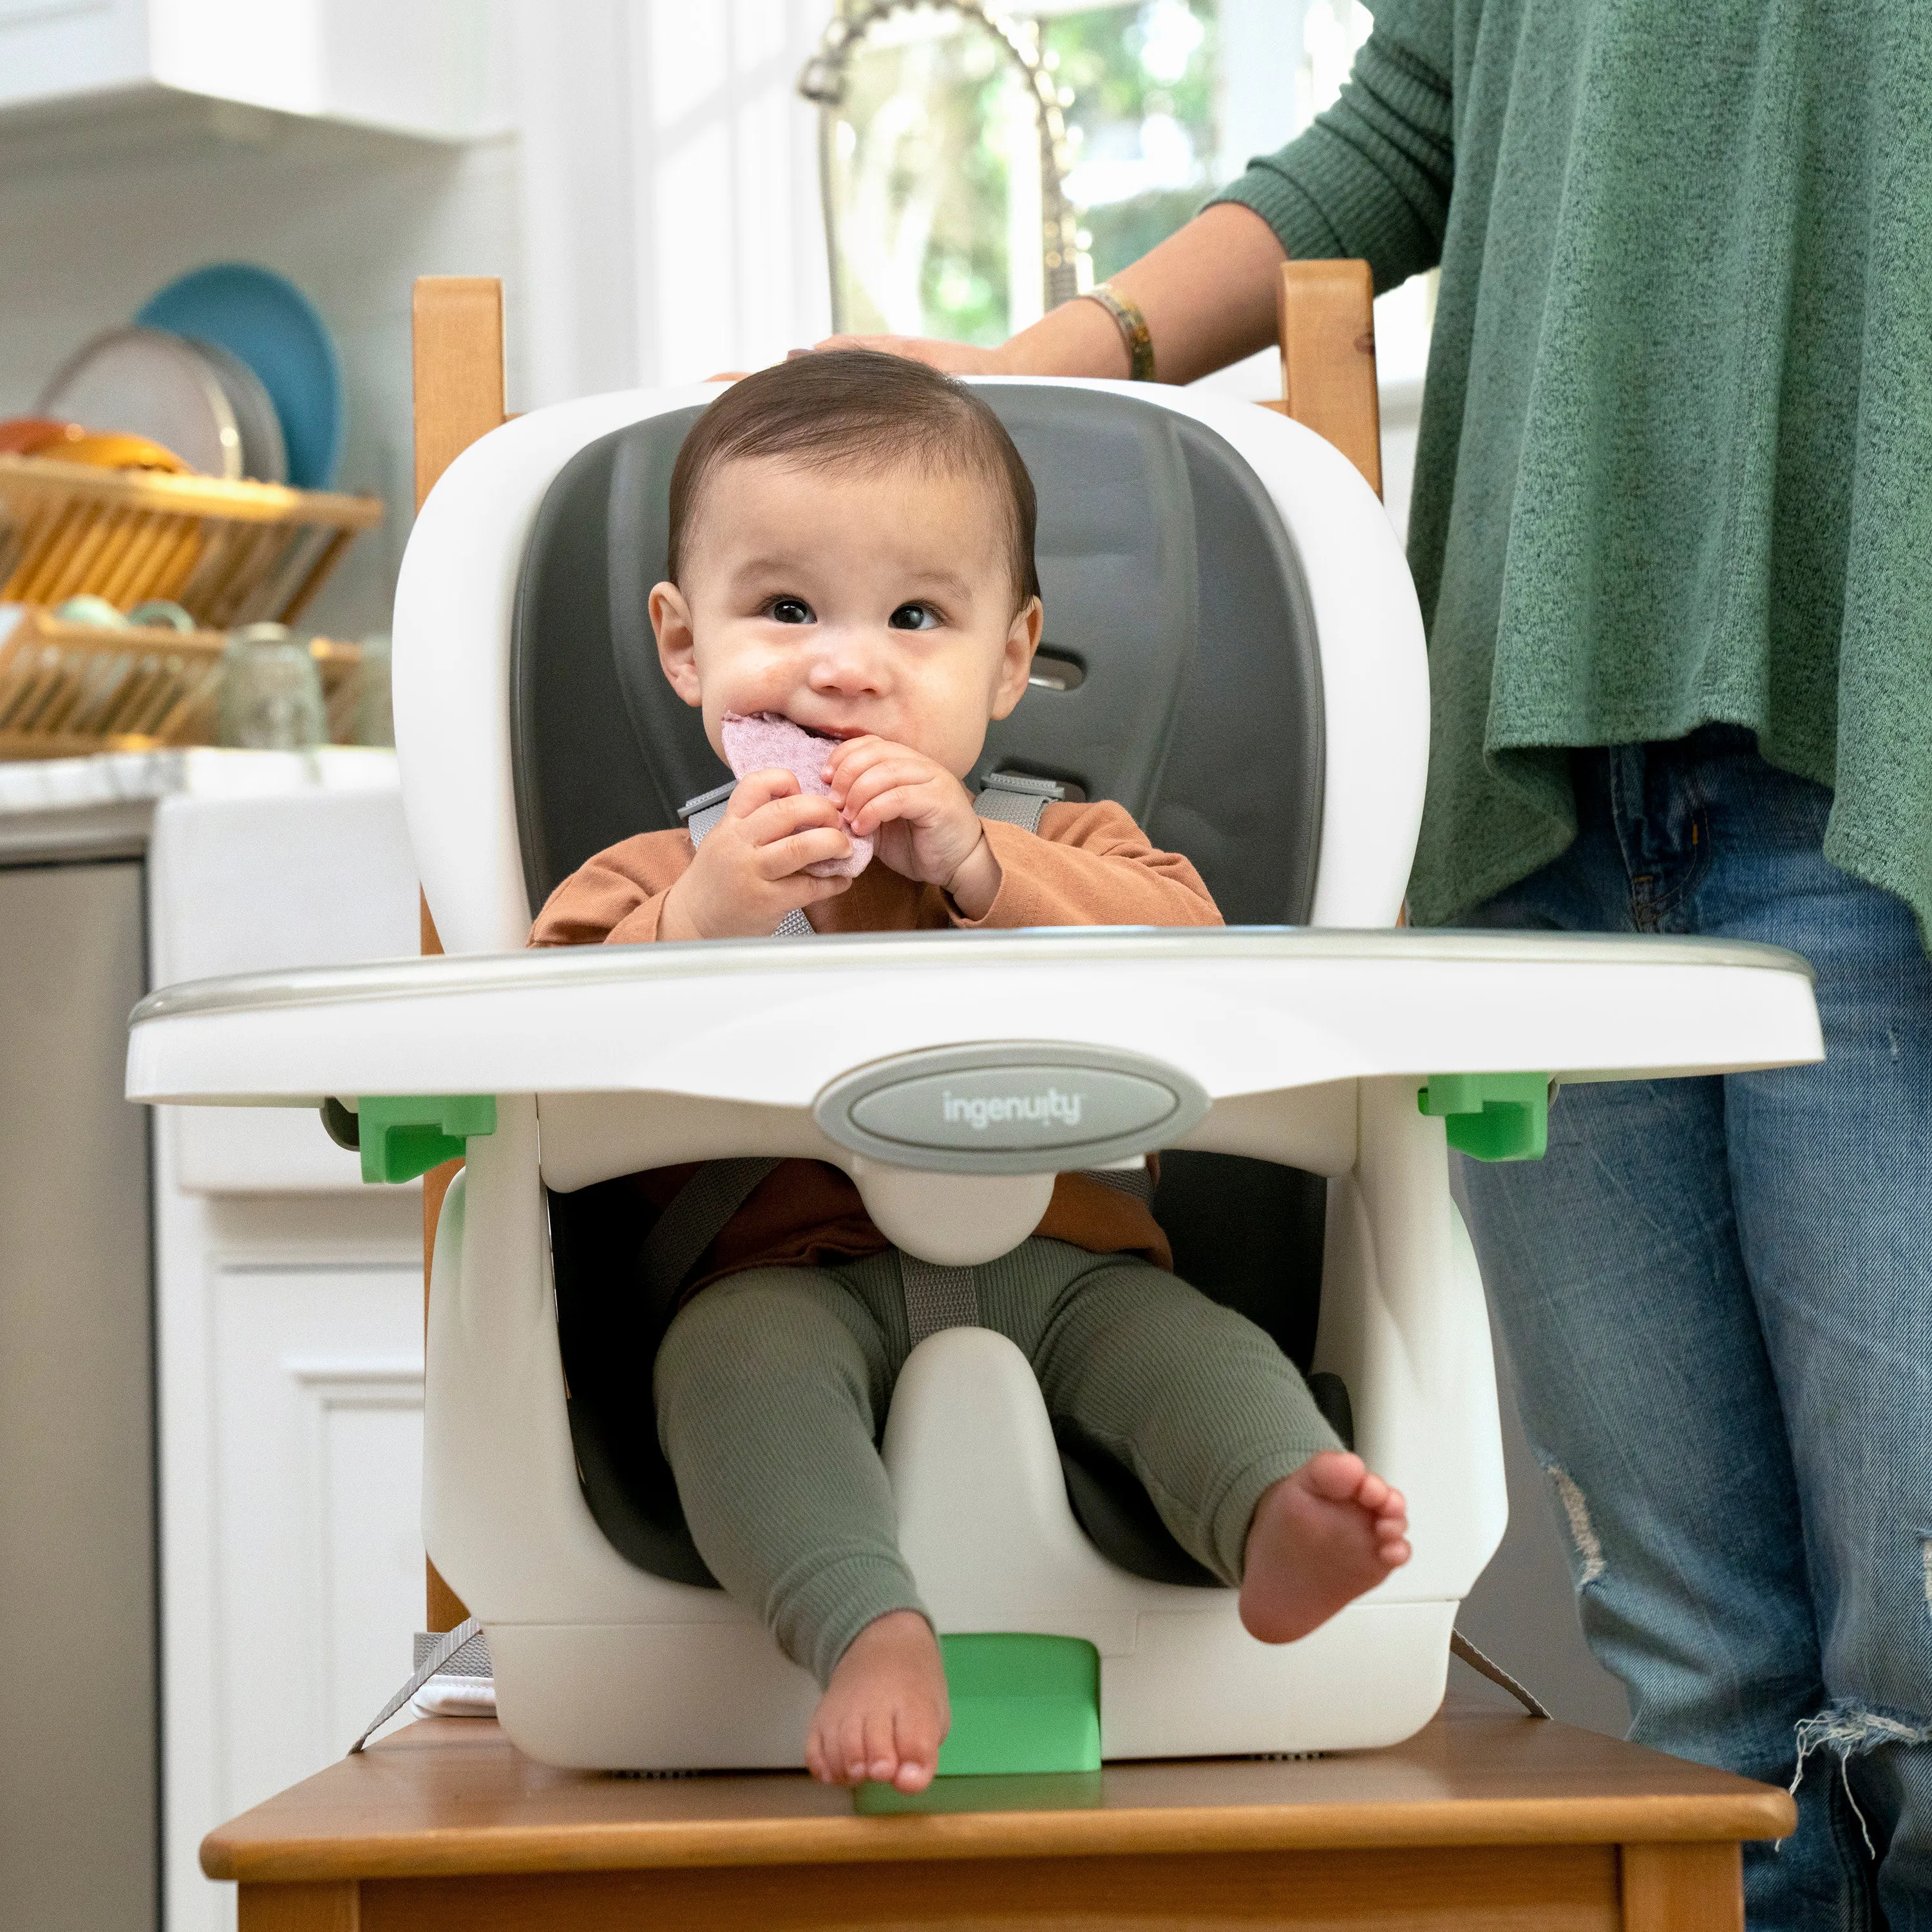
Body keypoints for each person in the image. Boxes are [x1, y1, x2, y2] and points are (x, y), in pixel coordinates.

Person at [824, 5, 1932, 1924]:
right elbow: (1412, 121)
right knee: (1693, 1693)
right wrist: (1029, 377)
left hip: (1876, 751)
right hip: (1541, 764)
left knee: (1917, 1686)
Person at [529, 350, 1412, 1794]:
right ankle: (866, 1630)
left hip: (1076, 1264)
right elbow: (539, 1047)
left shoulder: (1071, 844)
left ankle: (1273, 1515)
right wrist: (701, 917)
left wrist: (988, 865)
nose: (845, 662)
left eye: (917, 617)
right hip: (772, 1282)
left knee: (1199, 1361)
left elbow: (1203, 954)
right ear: (686, 648)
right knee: (731, 1385)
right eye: (785, 609)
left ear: (1010, 659)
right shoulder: (658, 872)